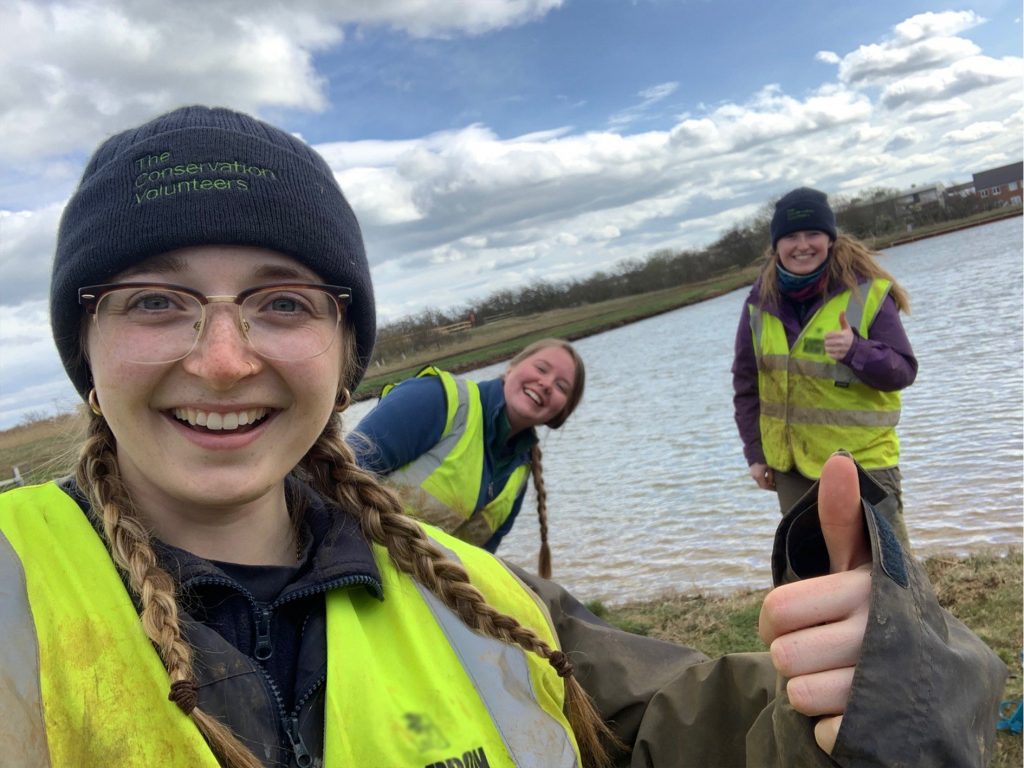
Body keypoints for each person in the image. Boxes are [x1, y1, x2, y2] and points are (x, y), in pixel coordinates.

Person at [0, 106, 1005, 768]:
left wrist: (887, 686)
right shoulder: (433, 407)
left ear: (342, 348)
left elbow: (718, 727)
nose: (223, 358)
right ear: (84, 346)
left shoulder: (492, 602)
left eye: (283, 303)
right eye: (154, 301)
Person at [732, 186, 917, 545]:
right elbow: (746, 388)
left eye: (813, 233)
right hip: (792, 471)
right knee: (813, 575)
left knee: (889, 575)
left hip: (863, 465)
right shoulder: (758, 304)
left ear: (830, 239)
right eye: (790, 236)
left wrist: (856, 351)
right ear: (776, 246)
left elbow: (903, 371)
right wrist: (755, 454)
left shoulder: (869, 292)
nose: (802, 245)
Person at [349, 338, 584, 577]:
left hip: (422, 595)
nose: (546, 383)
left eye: (561, 387)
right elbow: (336, 474)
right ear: (511, 367)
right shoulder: (437, 397)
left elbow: (477, 561)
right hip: (355, 570)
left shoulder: (520, 472)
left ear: (562, 412)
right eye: (541, 368)